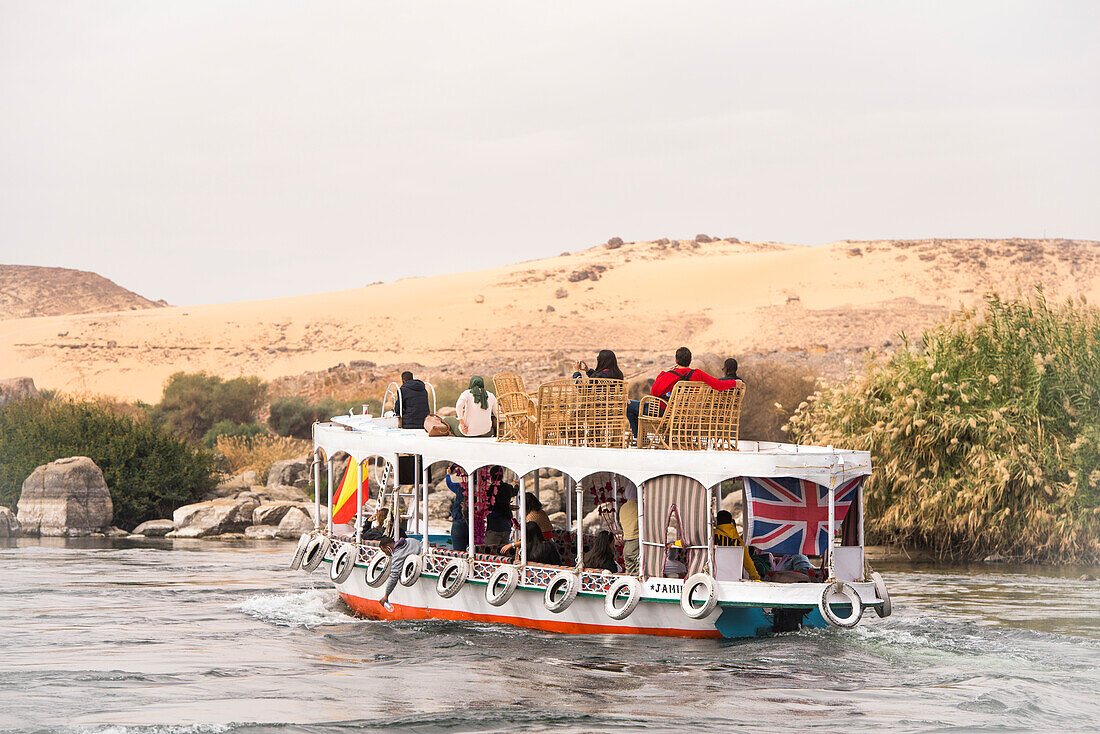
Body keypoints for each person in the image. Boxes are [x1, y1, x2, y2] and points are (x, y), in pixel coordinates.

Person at [627, 347, 737, 436]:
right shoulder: (698, 374)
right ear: (690, 360)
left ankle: (638, 437)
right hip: (684, 414)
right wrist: (735, 383)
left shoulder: (669, 375)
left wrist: (663, 374)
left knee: (628, 405)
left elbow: (654, 392)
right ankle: (640, 437)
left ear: (675, 360)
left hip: (663, 412)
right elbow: (718, 385)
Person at [713, 510, 761, 581]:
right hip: (734, 578)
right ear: (731, 521)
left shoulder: (711, 537)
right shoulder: (738, 541)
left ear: (717, 521)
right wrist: (756, 577)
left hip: (714, 577)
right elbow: (747, 561)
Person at [378, 535, 422, 608]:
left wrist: (386, 595)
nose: (386, 554)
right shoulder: (410, 540)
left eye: (385, 551)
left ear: (388, 547)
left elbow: (394, 576)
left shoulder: (397, 555)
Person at [483, 468, 517, 551]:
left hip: (494, 526)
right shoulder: (508, 487)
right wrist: (517, 484)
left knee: (491, 553)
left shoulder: (488, 490)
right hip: (506, 525)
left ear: (491, 477)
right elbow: (515, 491)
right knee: (503, 552)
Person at [445, 466, 469, 552]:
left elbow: (449, 483)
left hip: (459, 522)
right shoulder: (482, 490)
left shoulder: (461, 487)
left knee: (459, 553)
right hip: (475, 525)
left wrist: (448, 475)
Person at [618, 485, 639, 573]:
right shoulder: (640, 506)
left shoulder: (623, 507)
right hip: (637, 544)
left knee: (630, 574)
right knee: (639, 573)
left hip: (627, 545)